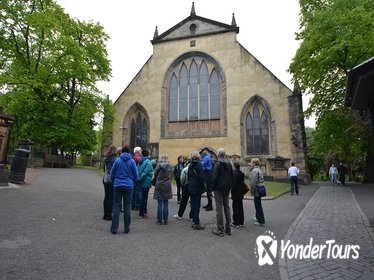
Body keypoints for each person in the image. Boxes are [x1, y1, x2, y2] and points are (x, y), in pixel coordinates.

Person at [110, 145, 139, 234]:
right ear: (129, 151)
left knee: (116, 206)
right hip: (128, 186)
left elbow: (112, 173)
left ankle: (114, 228)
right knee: (127, 207)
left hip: (117, 185)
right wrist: (132, 183)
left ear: (122, 151)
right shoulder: (132, 161)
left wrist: (115, 181)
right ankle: (127, 228)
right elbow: (136, 175)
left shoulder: (117, 160)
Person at [211, 148, 234, 237]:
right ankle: (228, 229)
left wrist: (213, 188)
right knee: (227, 206)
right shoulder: (229, 164)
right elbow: (232, 176)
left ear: (218, 155)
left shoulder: (218, 164)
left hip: (219, 188)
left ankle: (220, 229)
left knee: (219, 208)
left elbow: (214, 177)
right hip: (227, 188)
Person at [188, 151, 206, 230]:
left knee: (193, 204)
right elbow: (202, 178)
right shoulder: (199, 165)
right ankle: (196, 222)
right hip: (197, 187)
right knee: (197, 205)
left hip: (191, 187)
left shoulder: (190, 165)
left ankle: (194, 220)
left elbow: (188, 176)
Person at [153, 154, 173, 225]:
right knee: (166, 203)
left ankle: (159, 220)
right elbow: (171, 176)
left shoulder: (158, 165)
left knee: (160, 203)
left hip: (159, 184)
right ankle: (165, 220)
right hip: (167, 184)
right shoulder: (170, 166)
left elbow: (155, 175)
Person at [102, 144, 117, 221]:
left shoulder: (105, 159)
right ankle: (109, 215)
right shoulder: (115, 159)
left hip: (105, 179)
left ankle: (105, 214)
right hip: (112, 179)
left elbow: (104, 170)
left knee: (106, 196)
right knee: (111, 197)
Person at [137, 150, 153, 218]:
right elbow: (146, 172)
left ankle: (144, 211)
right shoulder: (148, 162)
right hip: (145, 181)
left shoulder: (140, 161)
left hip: (141, 181)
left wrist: (138, 178)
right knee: (144, 198)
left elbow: (138, 170)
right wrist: (140, 178)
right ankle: (142, 213)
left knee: (143, 197)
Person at [249, 158, 265, 226]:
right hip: (260, 188)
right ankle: (257, 217)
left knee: (258, 205)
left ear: (254, 163)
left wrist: (251, 191)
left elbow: (253, 183)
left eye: (251, 163)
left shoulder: (254, 171)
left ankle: (261, 221)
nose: (250, 164)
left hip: (257, 190)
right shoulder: (259, 170)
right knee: (258, 204)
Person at [231, 160, 244, 228]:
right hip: (241, 192)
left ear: (234, 166)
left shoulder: (235, 173)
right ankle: (241, 222)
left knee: (235, 207)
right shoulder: (241, 172)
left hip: (236, 192)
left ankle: (236, 223)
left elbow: (234, 184)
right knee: (240, 207)